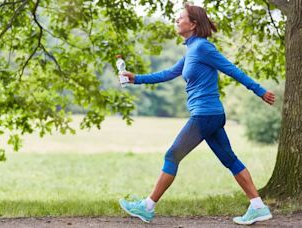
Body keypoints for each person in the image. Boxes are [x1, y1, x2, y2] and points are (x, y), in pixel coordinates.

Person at [118, 3, 276, 225]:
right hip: (209, 115)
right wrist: (136, 79)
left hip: (205, 115)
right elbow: (169, 73)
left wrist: (259, 91)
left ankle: (147, 207)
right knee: (229, 159)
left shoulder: (203, 47)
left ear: (193, 24)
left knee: (172, 155)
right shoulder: (191, 50)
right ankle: (258, 206)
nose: (176, 20)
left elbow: (232, 69)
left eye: (180, 17)